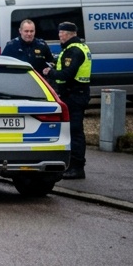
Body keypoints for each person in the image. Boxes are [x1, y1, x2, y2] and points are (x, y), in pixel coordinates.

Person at [48, 21, 91, 180]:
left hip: (75, 95)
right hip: (75, 94)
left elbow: (67, 74)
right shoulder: (78, 48)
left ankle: (77, 167)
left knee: (75, 131)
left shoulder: (74, 50)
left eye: (62, 33)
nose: (60, 36)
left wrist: (50, 72)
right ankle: (73, 166)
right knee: (73, 131)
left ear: (70, 34)